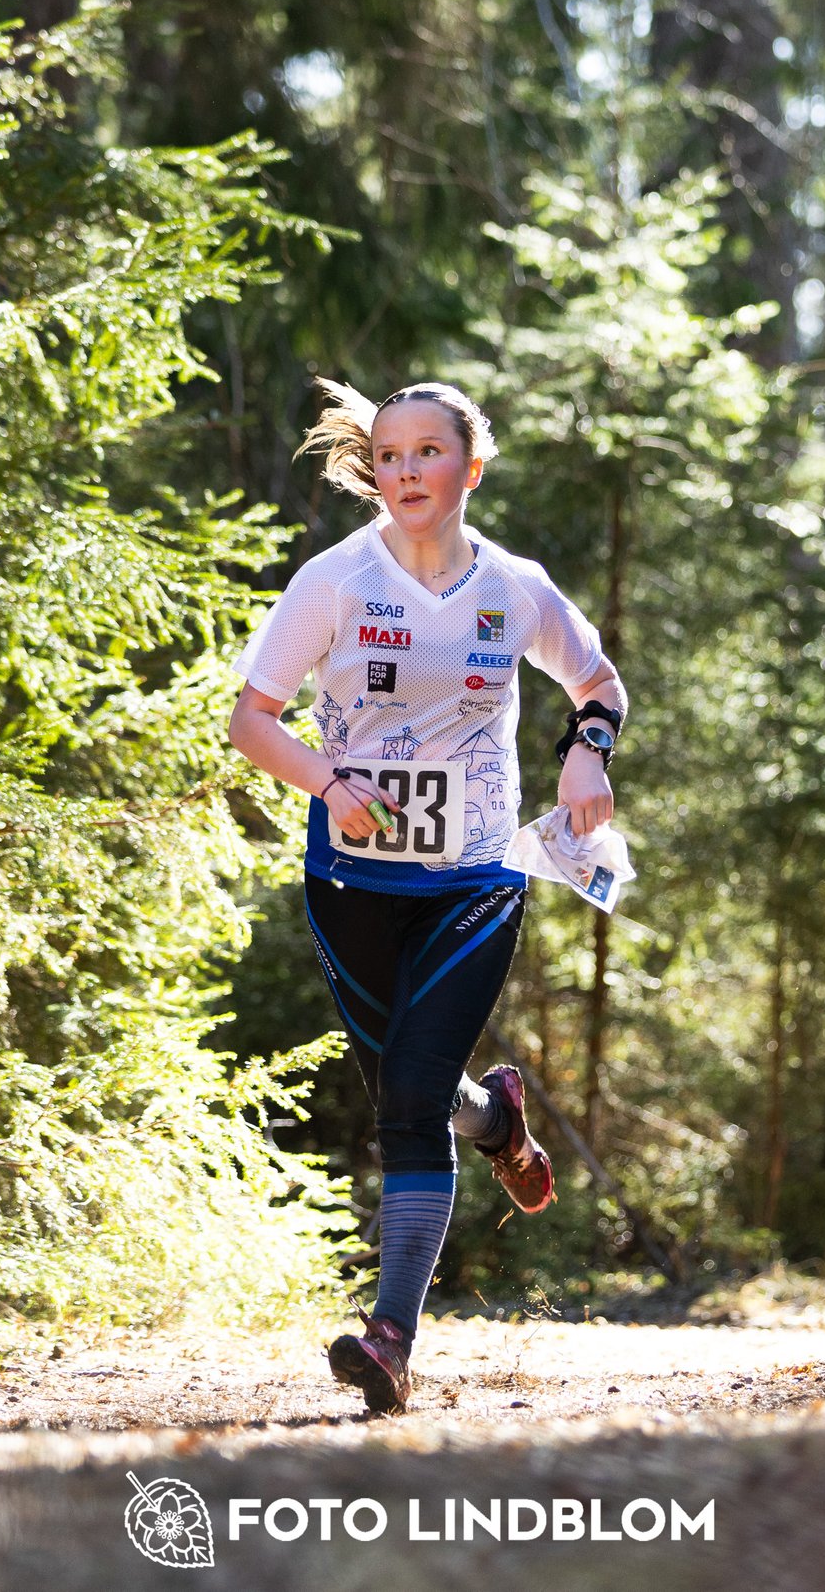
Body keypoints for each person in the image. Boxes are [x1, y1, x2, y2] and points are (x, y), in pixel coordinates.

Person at [228, 377, 628, 1414]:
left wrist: (585, 754)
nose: (406, 471)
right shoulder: (335, 580)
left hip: (477, 871)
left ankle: (391, 1335)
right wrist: (327, 780)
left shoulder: (516, 587)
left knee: (408, 1097)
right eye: (390, 455)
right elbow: (253, 719)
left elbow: (600, 683)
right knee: (412, 1088)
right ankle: (494, 1120)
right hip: (351, 878)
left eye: (427, 452)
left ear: (469, 465)